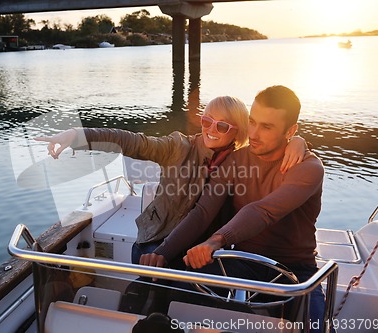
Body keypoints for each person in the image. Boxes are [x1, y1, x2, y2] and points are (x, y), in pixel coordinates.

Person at [140, 86, 327, 333]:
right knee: (168, 289)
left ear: (290, 131)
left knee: (317, 328)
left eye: (267, 127)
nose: (255, 133)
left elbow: (263, 211)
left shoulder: (309, 168)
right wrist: (162, 252)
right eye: (252, 122)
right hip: (239, 263)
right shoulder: (236, 161)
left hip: (295, 272)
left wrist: (216, 240)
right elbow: (203, 212)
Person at [35, 96, 307, 264]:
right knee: (154, 288)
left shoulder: (240, 160)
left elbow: (273, 139)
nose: (211, 129)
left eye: (222, 126)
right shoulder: (179, 146)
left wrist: (297, 141)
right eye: (206, 121)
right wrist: (77, 135)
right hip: (156, 239)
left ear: (238, 133)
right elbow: (130, 141)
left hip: (201, 247)